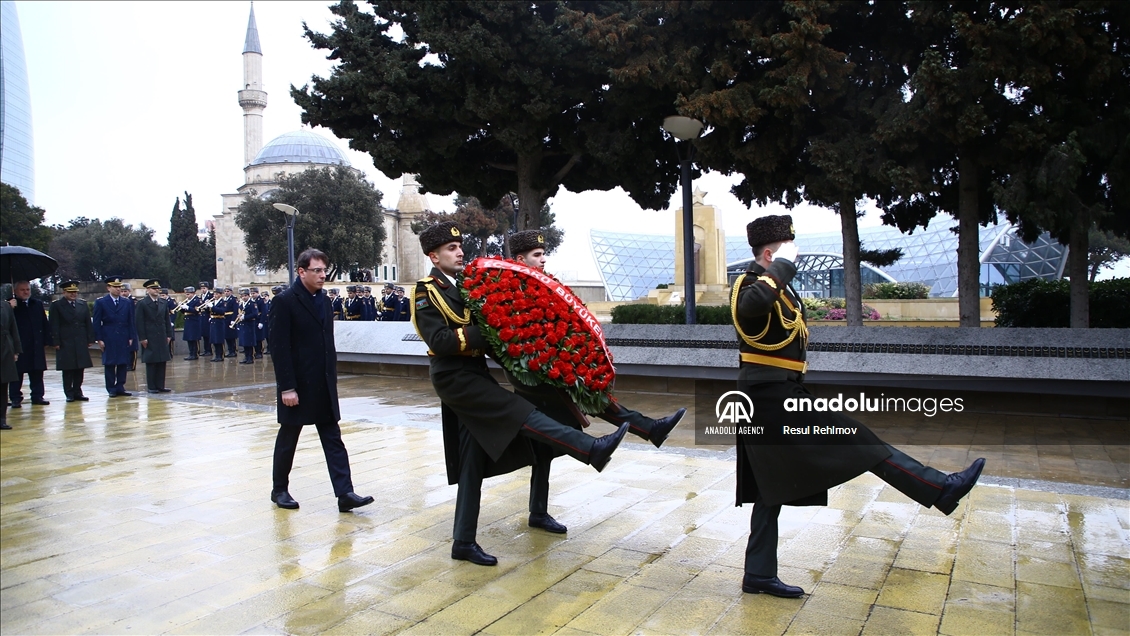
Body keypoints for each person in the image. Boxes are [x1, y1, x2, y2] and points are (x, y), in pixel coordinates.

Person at [731, 215, 985, 598]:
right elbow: (752, 308)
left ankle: (758, 574)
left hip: (780, 394)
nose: (793, 260)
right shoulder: (749, 286)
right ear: (769, 254)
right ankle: (939, 488)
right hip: (768, 398)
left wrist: (779, 271)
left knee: (772, 485)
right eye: (786, 253)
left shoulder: (777, 287)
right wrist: (780, 266)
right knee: (858, 440)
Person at [413, 222, 630, 566]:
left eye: (459, 246)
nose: (459, 252)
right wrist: (491, 325)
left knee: (472, 461)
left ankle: (463, 541)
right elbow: (440, 340)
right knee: (520, 414)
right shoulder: (426, 291)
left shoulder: (466, 285)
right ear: (434, 257)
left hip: (475, 372)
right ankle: (590, 449)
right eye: (451, 249)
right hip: (454, 378)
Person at [504, 230, 687, 534]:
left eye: (543, 254)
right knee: (555, 432)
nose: (543, 259)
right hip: (534, 375)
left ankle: (538, 511)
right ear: (520, 259)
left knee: (552, 437)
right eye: (537, 255)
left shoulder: (543, 283)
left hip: (553, 367)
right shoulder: (510, 287)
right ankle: (648, 429)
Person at [268, 248, 374, 513]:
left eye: (324, 270)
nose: (323, 275)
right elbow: (279, 348)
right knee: (288, 438)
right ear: (301, 272)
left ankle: (345, 493)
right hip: (298, 385)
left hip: (323, 383)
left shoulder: (325, 301)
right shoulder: (285, 301)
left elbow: (327, 344)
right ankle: (279, 489)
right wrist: (287, 387)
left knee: (333, 438)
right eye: (317, 270)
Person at [8, 281, 53, 408]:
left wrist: (47, 340)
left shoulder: (36, 304)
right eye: (22, 290)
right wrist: (10, 307)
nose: (26, 292)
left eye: (27, 289)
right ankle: (15, 397)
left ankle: (37, 396)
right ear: (15, 291)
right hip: (19, 344)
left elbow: (44, 323)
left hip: (35, 343)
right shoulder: (10, 304)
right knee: (17, 373)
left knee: (37, 371)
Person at [50, 280, 95, 403]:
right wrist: (56, 341)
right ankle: (69, 393)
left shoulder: (82, 304)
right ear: (64, 292)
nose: (73, 294)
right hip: (66, 340)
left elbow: (87, 322)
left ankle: (77, 391)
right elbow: (54, 324)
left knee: (80, 368)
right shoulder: (57, 305)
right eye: (70, 292)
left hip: (80, 339)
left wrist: (90, 338)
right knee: (68, 369)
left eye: (75, 292)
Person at [92, 277, 136, 397]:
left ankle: (120, 386)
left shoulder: (126, 302)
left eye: (119, 287)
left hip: (123, 334)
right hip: (108, 335)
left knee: (123, 362)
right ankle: (111, 388)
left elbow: (131, 320)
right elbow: (97, 322)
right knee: (110, 363)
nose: (118, 289)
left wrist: (131, 336)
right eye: (115, 287)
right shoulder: (101, 302)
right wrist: (99, 339)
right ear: (108, 288)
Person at [136, 279, 174, 393]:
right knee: (151, 361)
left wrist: (169, 334)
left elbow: (167, 320)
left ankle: (160, 385)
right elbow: (139, 322)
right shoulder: (142, 303)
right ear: (148, 290)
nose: (156, 290)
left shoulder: (163, 302)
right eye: (153, 288)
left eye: (157, 289)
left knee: (162, 361)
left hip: (161, 334)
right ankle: (152, 386)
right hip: (150, 335)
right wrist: (142, 338)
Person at [2, 297, 22, 429]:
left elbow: (13, 328)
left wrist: (16, 350)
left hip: (4, 348)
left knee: (3, 385)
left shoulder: (5, 306)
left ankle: (1, 418)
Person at [236, 288, 259, 364]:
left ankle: (250, 358)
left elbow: (255, 314)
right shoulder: (241, 304)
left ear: (248, 296)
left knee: (249, 342)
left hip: (249, 325)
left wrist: (245, 317)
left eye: (245, 296)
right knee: (244, 342)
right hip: (243, 325)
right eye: (242, 296)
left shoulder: (252, 304)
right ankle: (246, 357)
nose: (244, 297)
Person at [181, 286, 203, 360]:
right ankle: (191, 353)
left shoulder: (197, 300)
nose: (187, 296)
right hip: (188, 321)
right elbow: (184, 312)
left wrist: (188, 308)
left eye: (188, 294)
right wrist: (182, 308)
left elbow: (197, 310)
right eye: (186, 294)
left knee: (194, 338)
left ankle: (195, 354)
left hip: (194, 321)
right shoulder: (187, 301)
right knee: (189, 338)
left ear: (193, 293)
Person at [198, 282, 214, 355]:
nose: (203, 290)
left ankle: (209, 350)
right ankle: (206, 350)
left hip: (208, 316)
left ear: (207, 288)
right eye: (201, 288)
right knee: (204, 334)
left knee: (208, 334)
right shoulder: (201, 296)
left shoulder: (210, 296)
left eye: (204, 288)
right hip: (202, 317)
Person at [252, 288, 266, 358]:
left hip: (258, 320)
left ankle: (259, 352)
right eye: (251, 293)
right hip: (254, 321)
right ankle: (256, 351)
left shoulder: (261, 300)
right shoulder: (252, 301)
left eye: (254, 293)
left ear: (257, 293)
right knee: (254, 337)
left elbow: (264, 312)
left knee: (259, 338)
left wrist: (261, 322)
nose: (252, 295)